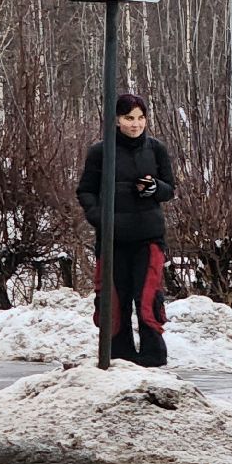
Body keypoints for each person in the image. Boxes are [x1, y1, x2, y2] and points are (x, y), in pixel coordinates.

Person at [75, 93, 176, 367]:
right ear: (117, 120)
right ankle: (119, 357)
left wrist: (155, 188)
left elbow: (169, 189)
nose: (135, 124)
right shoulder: (100, 151)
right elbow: (85, 191)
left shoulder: (156, 149)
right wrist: (100, 219)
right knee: (114, 302)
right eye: (129, 118)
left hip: (149, 238)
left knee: (147, 299)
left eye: (141, 118)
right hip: (112, 241)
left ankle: (154, 358)